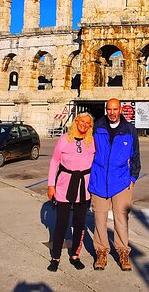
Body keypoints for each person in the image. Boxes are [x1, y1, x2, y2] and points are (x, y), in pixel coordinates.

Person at [89, 98, 141, 271]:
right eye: (109, 109)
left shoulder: (130, 130)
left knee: (121, 219)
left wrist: (132, 179)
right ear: (106, 110)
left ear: (120, 110)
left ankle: (123, 252)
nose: (112, 112)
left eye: (115, 109)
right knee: (100, 218)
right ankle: (101, 252)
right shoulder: (97, 127)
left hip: (121, 182)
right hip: (99, 180)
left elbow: (136, 157)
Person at [46, 112, 95, 272]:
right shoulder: (63, 140)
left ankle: (75, 254)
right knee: (61, 223)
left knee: (80, 223)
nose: (84, 124)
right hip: (64, 185)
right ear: (76, 121)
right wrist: (50, 185)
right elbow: (55, 162)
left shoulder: (92, 142)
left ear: (90, 126)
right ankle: (55, 257)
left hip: (84, 186)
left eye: (87, 123)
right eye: (82, 121)